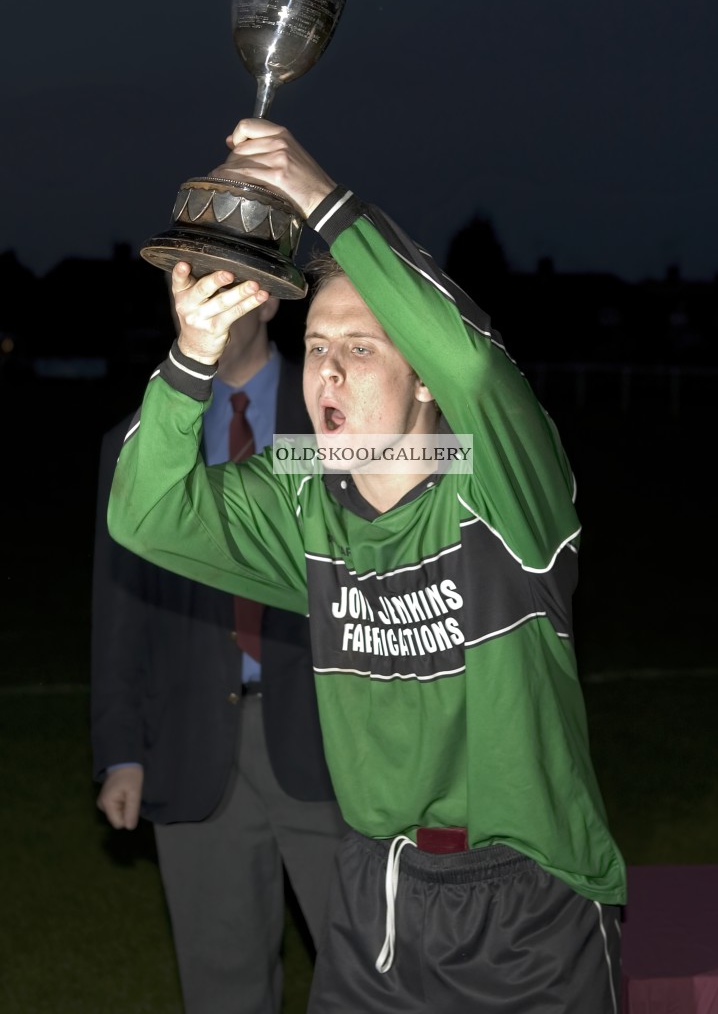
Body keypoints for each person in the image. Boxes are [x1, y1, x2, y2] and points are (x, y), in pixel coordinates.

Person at [107, 117, 627, 1014]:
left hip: (530, 903)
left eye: (359, 349)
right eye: (315, 349)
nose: (327, 375)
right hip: (373, 897)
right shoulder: (299, 494)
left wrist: (323, 200)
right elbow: (145, 517)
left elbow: (470, 363)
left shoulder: (500, 487)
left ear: (419, 373)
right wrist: (192, 361)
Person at [91, 287, 346, 1014]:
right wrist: (122, 752)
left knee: (373, 976)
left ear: (269, 304)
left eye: (225, 291)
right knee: (219, 984)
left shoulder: (343, 426)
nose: (199, 310)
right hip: (192, 748)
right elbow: (118, 608)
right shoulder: (139, 443)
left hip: (334, 749)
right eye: (186, 293)